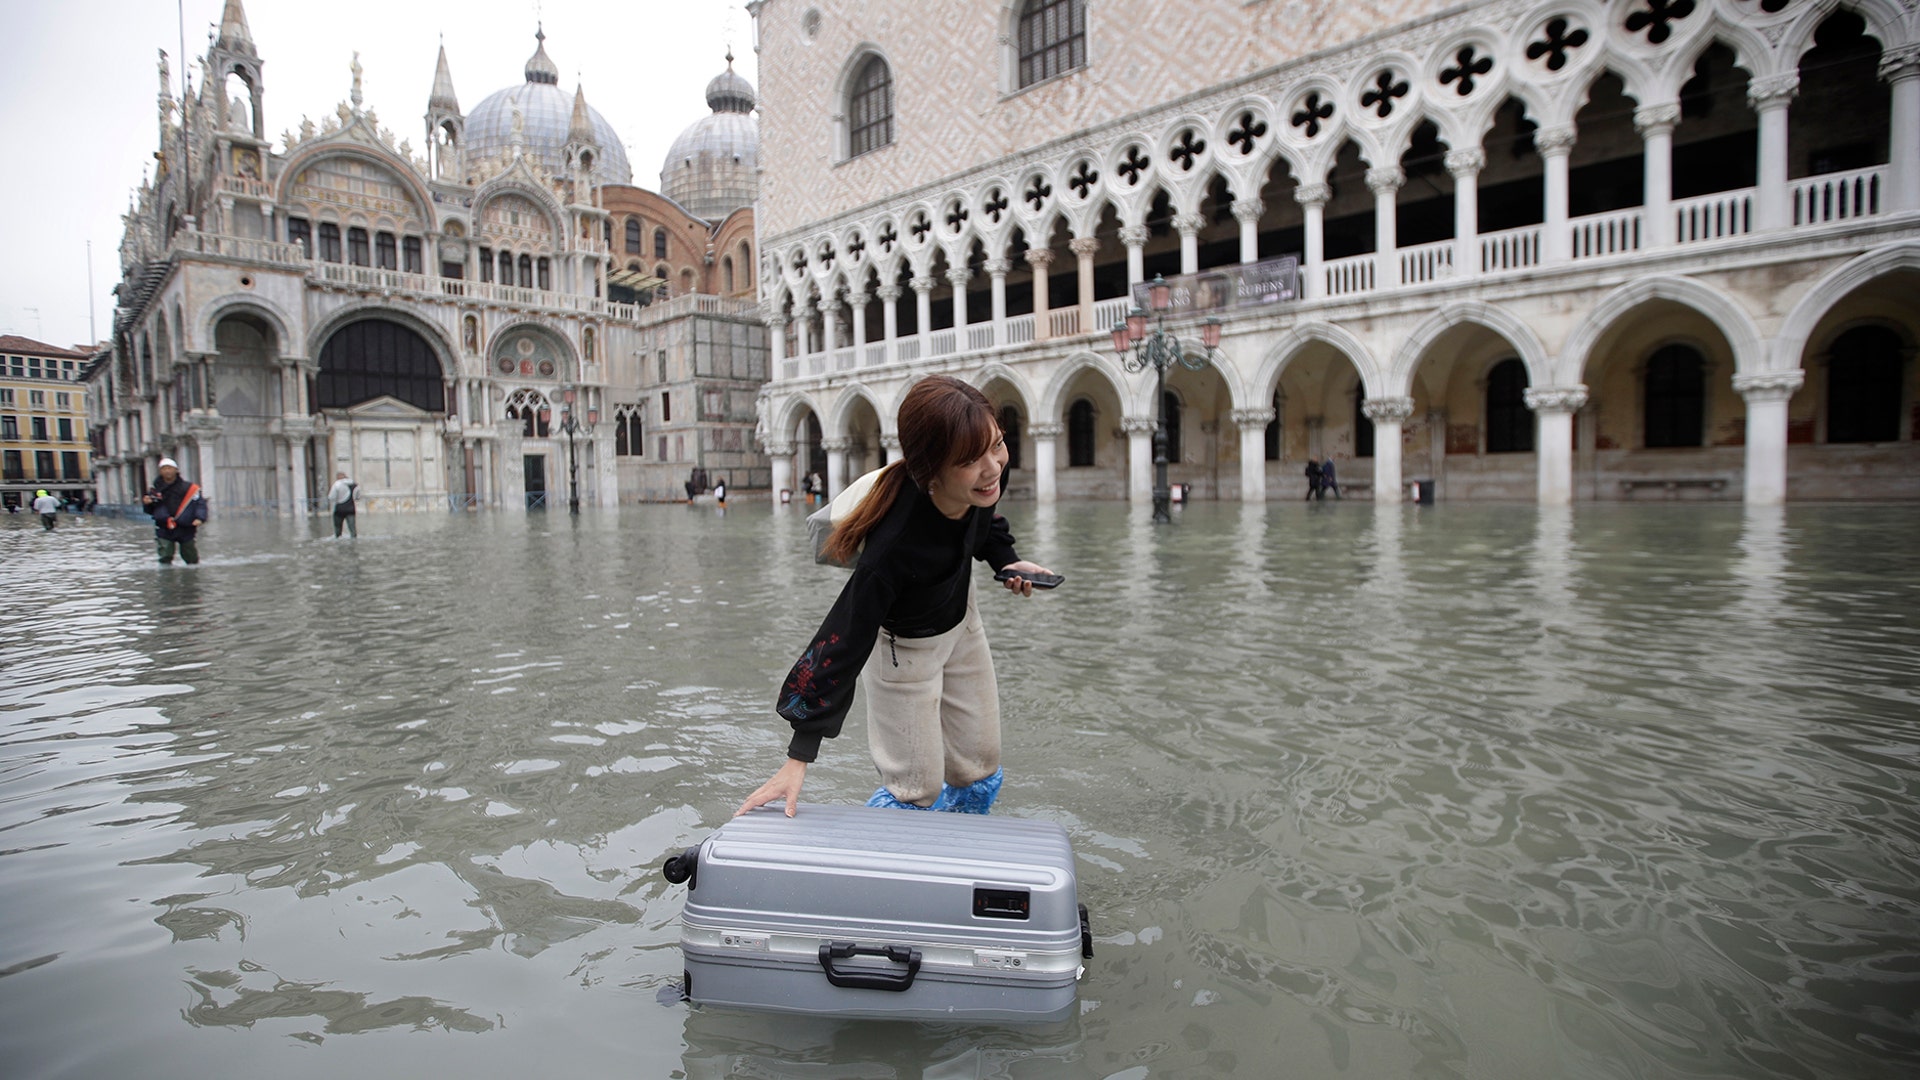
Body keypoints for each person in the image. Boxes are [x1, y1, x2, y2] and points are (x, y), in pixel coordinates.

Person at [736, 376, 1057, 819]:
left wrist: (1008, 561)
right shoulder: (893, 548)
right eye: (970, 458)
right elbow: (842, 640)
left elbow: (985, 525)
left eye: (997, 444)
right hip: (903, 654)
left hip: (962, 622)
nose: (993, 466)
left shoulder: (976, 488)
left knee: (979, 767)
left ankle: (962, 848)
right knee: (915, 789)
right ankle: (895, 862)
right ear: (931, 469)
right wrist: (799, 756)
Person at [141, 457, 207, 565]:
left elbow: (200, 503)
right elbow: (150, 511)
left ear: (176, 470)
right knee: (165, 555)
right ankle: (166, 580)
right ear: (160, 471)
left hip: (186, 527)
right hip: (164, 527)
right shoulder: (154, 490)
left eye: (170, 468)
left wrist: (200, 517)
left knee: (191, 557)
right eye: (164, 468)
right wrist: (147, 504)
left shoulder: (188, 488)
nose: (167, 471)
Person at [327, 471, 358, 538]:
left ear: (338, 477)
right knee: (352, 529)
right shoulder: (354, 484)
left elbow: (331, 497)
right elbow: (357, 497)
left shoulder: (337, 484)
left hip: (339, 509)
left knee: (338, 529)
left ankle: (338, 538)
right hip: (351, 509)